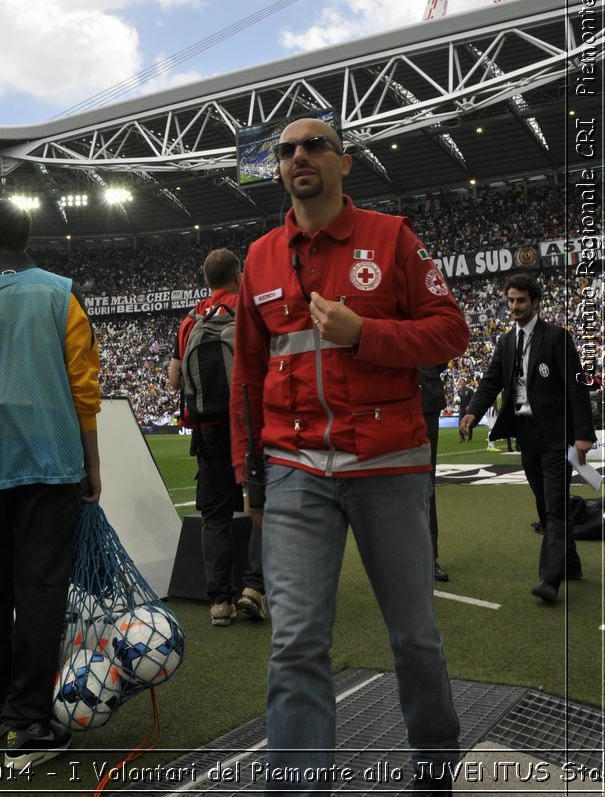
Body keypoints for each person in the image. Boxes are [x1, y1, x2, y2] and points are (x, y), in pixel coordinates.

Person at [229, 116, 470, 796]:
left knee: (414, 637)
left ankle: (435, 769)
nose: (298, 156)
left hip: (387, 466)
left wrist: (364, 332)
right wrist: (251, 472)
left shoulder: (389, 238)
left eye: (313, 146)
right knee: (296, 642)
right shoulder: (259, 257)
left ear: (344, 163)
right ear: (277, 169)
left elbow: (449, 330)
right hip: (295, 469)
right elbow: (248, 373)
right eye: (285, 151)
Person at [0, 200, 101, 769]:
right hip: (53, 459)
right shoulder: (62, 293)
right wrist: (92, 462)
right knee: (40, 589)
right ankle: (27, 721)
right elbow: (84, 384)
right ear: (26, 237)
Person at [460, 272, 595, 605]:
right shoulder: (506, 341)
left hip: (557, 434)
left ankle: (549, 579)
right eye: (510, 301)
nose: (515, 306)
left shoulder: (557, 338)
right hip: (525, 434)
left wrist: (583, 435)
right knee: (546, 503)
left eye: (521, 300)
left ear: (536, 302)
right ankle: (571, 563)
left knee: (555, 505)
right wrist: (473, 413)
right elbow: (491, 381)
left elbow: (576, 388)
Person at [169, 249, 265, 627]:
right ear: (238, 275)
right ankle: (253, 589)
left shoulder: (189, 320)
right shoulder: (249, 311)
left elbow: (176, 380)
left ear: (206, 279)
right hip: (250, 426)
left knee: (215, 516)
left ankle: (219, 603)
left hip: (207, 431)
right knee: (262, 508)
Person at [418, 363, 449, 582]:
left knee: (426, 483)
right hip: (384, 398)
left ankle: (429, 556)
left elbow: (443, 349)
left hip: (424, 397)